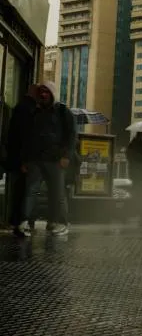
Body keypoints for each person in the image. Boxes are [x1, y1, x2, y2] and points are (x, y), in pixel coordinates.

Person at [18, 82, 75, 236]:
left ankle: (60, 223)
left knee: (57, 193)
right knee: (31, 191)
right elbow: (27, 138)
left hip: (55, 159)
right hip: (35, 159)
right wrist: (24, 160)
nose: (43, 95)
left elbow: (71, 136)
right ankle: (25, 222)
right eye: (41, 92)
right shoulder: (33, 113)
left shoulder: (63, 112)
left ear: (52, 94)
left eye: (47, 92)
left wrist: (66, 156)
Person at [5, 85, 38, 237]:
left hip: (17, 157)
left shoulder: (21, 107)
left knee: (20, 190)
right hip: (23, 159)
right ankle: (20, 222)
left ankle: (17, 221)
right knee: (24, 191)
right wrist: (24, 160)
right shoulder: (28, 109)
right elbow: (25, 137)